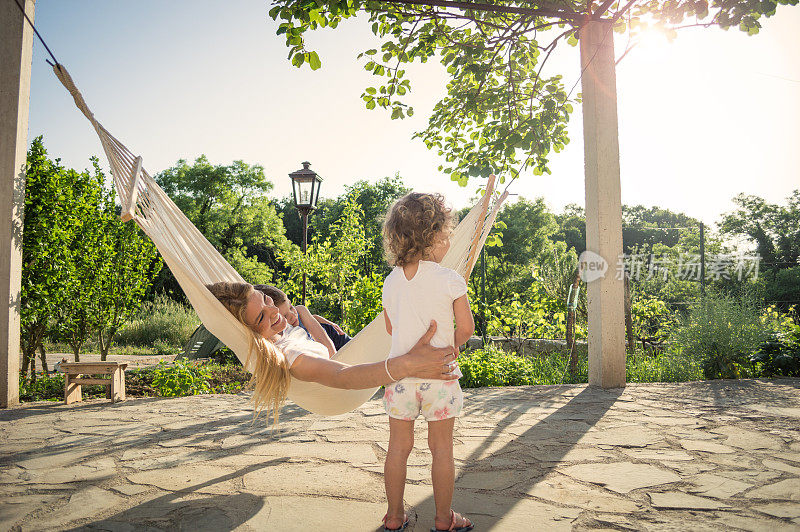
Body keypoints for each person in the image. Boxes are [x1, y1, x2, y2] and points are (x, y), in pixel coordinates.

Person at [206, 282, 460, 424]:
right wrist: (409, 365)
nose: (274, 312)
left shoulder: (281, 330)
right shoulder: (291, 357)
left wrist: (308, 314)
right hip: (341, 383)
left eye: (266, 299)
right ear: (247, 331)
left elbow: (292, 316)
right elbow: (343, 376)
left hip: (346, 354)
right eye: (262, 316)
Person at [380, 192, 475, 532]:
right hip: (441, 376)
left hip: (401, 377)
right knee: (442, 450)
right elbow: (465, 328)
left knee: (398, 448)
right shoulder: (450, 279)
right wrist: (450, 344)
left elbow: (392, 328)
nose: (449, 239)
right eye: (447, 232)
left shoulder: (390, 283)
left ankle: (393, 518)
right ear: (434, 236)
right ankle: (443, 519)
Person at [254, 284, 352, 353]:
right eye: (284, 316)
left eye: (291, 307)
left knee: (359, 349)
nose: (292, 315)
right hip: (319, 348)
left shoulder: (300, 310)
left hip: (331, 336)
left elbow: (323, 339)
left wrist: (335, 363)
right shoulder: (279, 337)